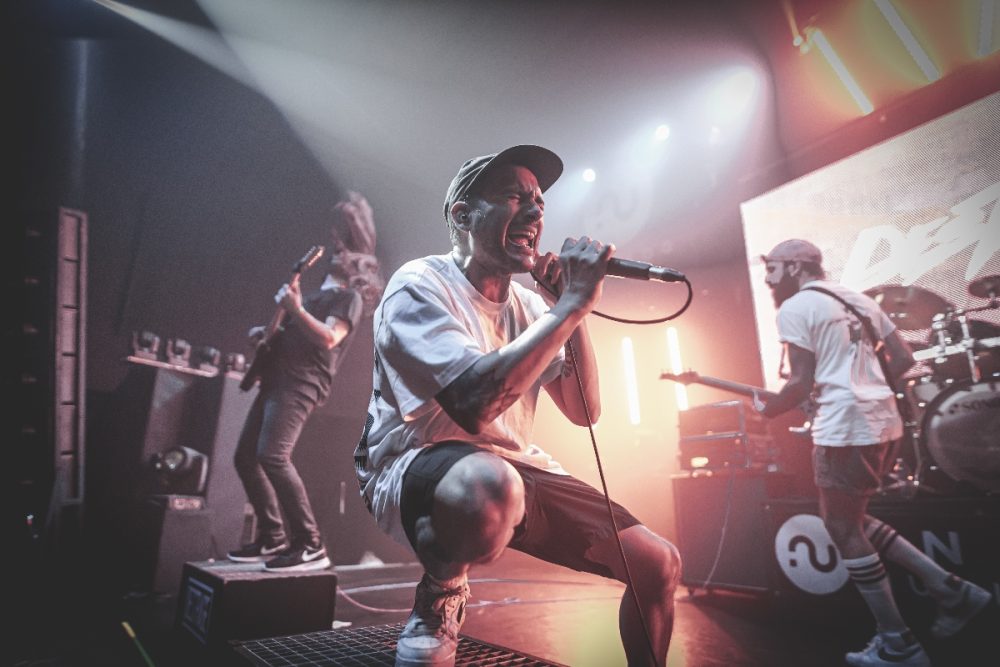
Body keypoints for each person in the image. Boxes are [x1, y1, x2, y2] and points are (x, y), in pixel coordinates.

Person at [353, 145, 680, 667]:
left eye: (539, 202)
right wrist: (570, 306)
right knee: (491, 486)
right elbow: (473, 405)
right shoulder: (419, 285)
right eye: (514, 197)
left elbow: (584, 410)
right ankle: (440, 596)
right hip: (414, 460)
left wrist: (569, 311)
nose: (534, 212)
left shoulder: (530, 306)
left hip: (509, 465)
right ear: (463, 215)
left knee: (657, 563)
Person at [753, 239, 992, 667]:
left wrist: (766, 409)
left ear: (795, 267)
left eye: (773, 269)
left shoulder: (795, 308)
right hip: (883, 423)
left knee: (841, 527)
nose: (769, 279)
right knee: (852, 518)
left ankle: (899, 643)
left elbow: (799, 383)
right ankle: (951, 590)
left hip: (844, 429)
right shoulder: (856, 299)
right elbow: (902, 359)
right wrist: (863, 388)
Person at [228, 193, 375, 571]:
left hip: (301, 383)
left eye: (343, 244)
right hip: (277, 378)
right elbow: (292, 333)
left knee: (273, 456)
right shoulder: (315, 293)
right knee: (245, 457)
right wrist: (267, 333)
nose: (336, 249)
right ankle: (272, 536)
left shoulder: (350, 297)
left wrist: (294, 308)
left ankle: (310, 544)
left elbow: (329, 338)